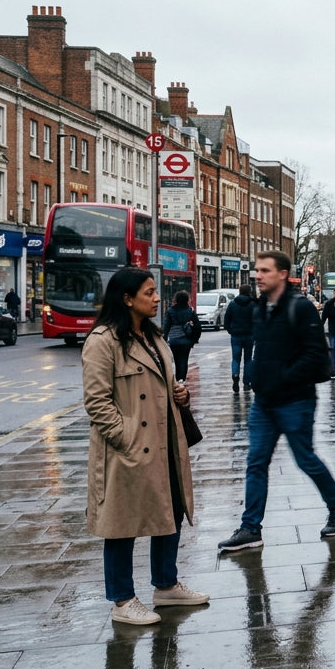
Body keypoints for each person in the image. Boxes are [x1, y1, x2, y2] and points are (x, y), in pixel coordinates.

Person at [81, 267, 209, 625]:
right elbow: (96, 402)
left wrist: (178, 392)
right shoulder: (103, 341)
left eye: (156, 292)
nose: (157, 298)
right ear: (127, 299)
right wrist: (127, 439)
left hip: (165, 440)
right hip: (129, 450)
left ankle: (165, 586)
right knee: (121, 525)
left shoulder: (153, 336)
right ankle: (122, 600)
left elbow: (162, 383)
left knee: (170, 511)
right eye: (149, 293)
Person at [217, 251, 335, 552]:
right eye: (257, 270)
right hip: (264, 403)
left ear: (282, 274)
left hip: (295, 400)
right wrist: (255, 375)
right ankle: (251, 528)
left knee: (305, 459)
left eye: (265, 270)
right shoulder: (261, 306)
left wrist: (283, 378)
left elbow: (316, 355)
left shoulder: (300, 308)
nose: (258, 275)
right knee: (256, 463)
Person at [162, 291, 201, 383]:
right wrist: (194, 340)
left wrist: (164, 340)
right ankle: (182, 379)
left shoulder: (170, 311)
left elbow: (166, 327)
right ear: (187, 300)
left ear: (176, 300)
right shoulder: (190, 311)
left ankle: (177, 378)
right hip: (186, 340)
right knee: (184, 359)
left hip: (174, 340)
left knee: (176, 360)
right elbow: (198, 327)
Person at [225, 284, 257, 393]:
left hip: (236, 335)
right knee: (248, 359)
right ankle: (247, 383)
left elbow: (227, 319)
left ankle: (235, 375)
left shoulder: (233, 304)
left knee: (235, 358)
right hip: (249, 335)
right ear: (249, 291)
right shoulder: (253, 304)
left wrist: (230, 330)